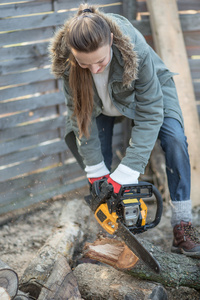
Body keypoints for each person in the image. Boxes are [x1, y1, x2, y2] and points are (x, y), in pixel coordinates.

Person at [49, 3, 200, 258]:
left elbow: (151, 112)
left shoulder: (134, 46)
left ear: (110, 40)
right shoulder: (68, 61)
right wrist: (98, 173)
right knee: (94, 164)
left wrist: (129, 171)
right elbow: (79, 116)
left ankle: (183, 224)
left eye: (100, 61)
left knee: (174, 138)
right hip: (97, 105)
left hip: (149, 94)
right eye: (85, 64)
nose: (95, 69)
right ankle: (111, 225)